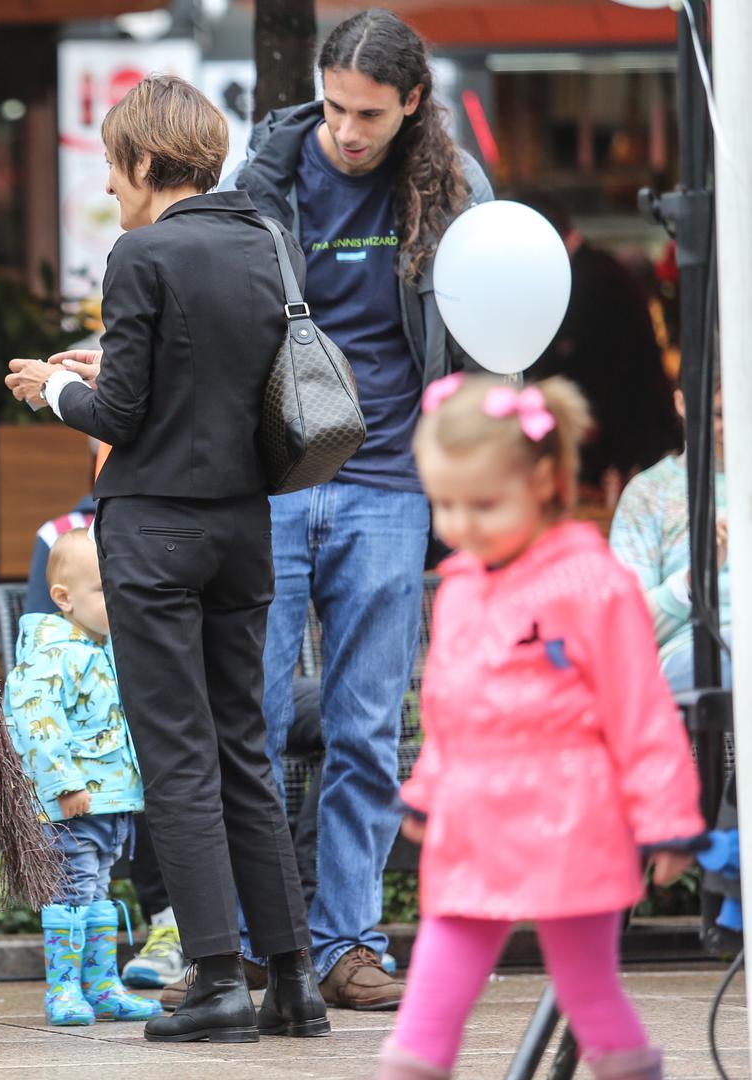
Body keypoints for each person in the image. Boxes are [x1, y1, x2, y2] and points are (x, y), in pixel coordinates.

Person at [6, 73, 328, 1044]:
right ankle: (290, 980)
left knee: (176, 755)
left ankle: (212, 979)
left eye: (111, 165)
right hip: (242, 529)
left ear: (147, 161)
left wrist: (50, 394)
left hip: (151, 533)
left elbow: (117, 417)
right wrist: (116, 369)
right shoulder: (263, 242)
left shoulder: (138, 254)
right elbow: (220, 373)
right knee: (241, 747)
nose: (108, 185)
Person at [224, 9, 493, 1011]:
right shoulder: (265, 172)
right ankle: (253, 943)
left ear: (410, 103)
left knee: (365, 725)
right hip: (276, 478)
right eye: (335, 106)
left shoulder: (454, 188)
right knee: (245, 711)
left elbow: (479, 339)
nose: (346, 129)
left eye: (368, 115)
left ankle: (344, 944)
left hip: (388, 482)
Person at [381, 373, 704, 1080]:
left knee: (593, 1002)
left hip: (571, 821)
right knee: (422, 1023)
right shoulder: (462, 584)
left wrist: (667, 818)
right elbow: (450, 705)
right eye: (445, 504)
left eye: (484, 504)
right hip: (472, 823)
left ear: (548, 479)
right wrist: (430, 788)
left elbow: (638, 707)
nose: (460, 525)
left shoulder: (593, 583)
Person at [5, 529, 163, 1027]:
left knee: (96, 893)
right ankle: (65, 990)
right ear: (63, 598)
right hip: (72, 804)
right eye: (103, 590)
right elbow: (36, 723)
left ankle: (102, 985)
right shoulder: (53, 655)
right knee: (71, 892)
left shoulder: (104, 649)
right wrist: (64, 785)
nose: (116, 600)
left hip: (108, 803)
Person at [520, 193, 680, 489]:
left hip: (623, 432)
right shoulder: (593, 269)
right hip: (623, 426)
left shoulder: (588, 279)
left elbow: (589, 363)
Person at [609, 382, 731, 692]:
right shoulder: (650, 493)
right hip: (694, 655)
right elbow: (624, 629)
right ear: (682, 402)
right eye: (718, 413)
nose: (731, 425)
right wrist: (695, 579)